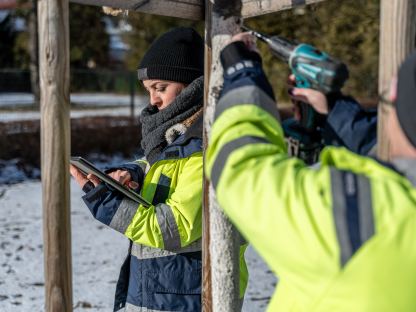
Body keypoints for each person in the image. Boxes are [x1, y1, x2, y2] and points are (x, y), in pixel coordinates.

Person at [206, 31, 416, 311]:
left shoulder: (361, 215)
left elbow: (241, 168)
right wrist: (334, 107)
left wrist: (243, 75)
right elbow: (376, 143)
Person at [70, 27, 227, 312]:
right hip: (160, 293)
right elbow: (161, 164)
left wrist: (108, 203)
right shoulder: (175, 138)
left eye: (160, 87)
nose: (153, 100)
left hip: (188, 299)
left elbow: (173, 228)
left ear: (192, 86)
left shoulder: (207, 146)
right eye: (148, 90)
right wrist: (134, 174)